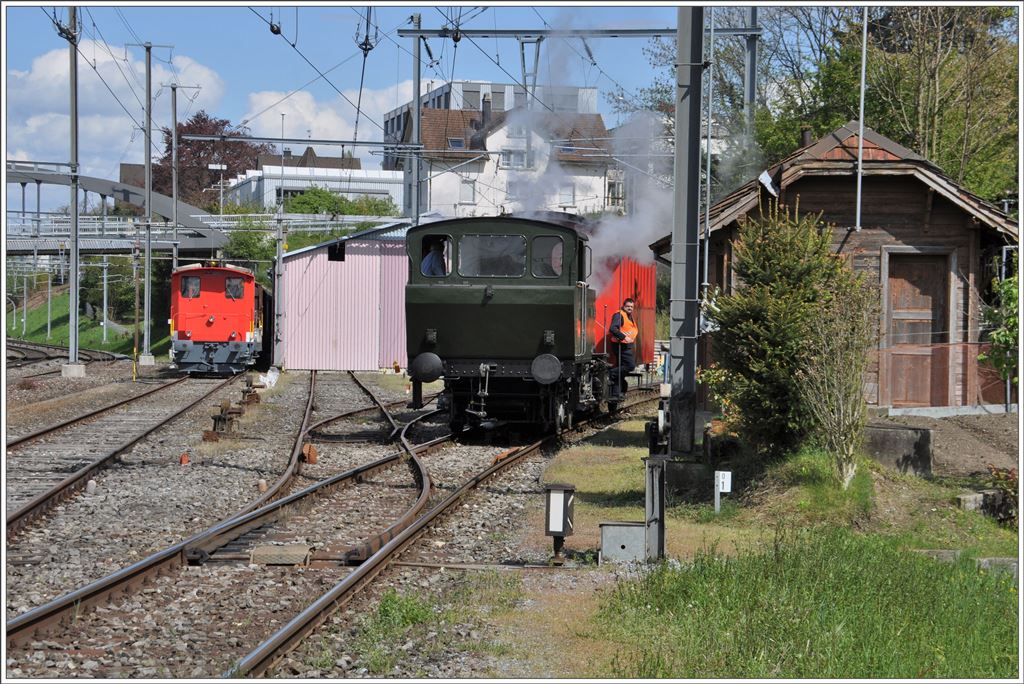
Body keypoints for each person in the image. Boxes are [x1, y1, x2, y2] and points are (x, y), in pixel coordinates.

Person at [608, 297, 638, 399]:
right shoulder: (619, 315)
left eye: (631, 307)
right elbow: (613, 328)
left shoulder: (629, 316)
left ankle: (616, 393)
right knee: (630, 366)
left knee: (620, 369)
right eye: (628, 306)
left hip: (625, 346)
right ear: (624, 306)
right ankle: (611, 373)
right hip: (620, 346)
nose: (630, 308)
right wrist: (624, 337)